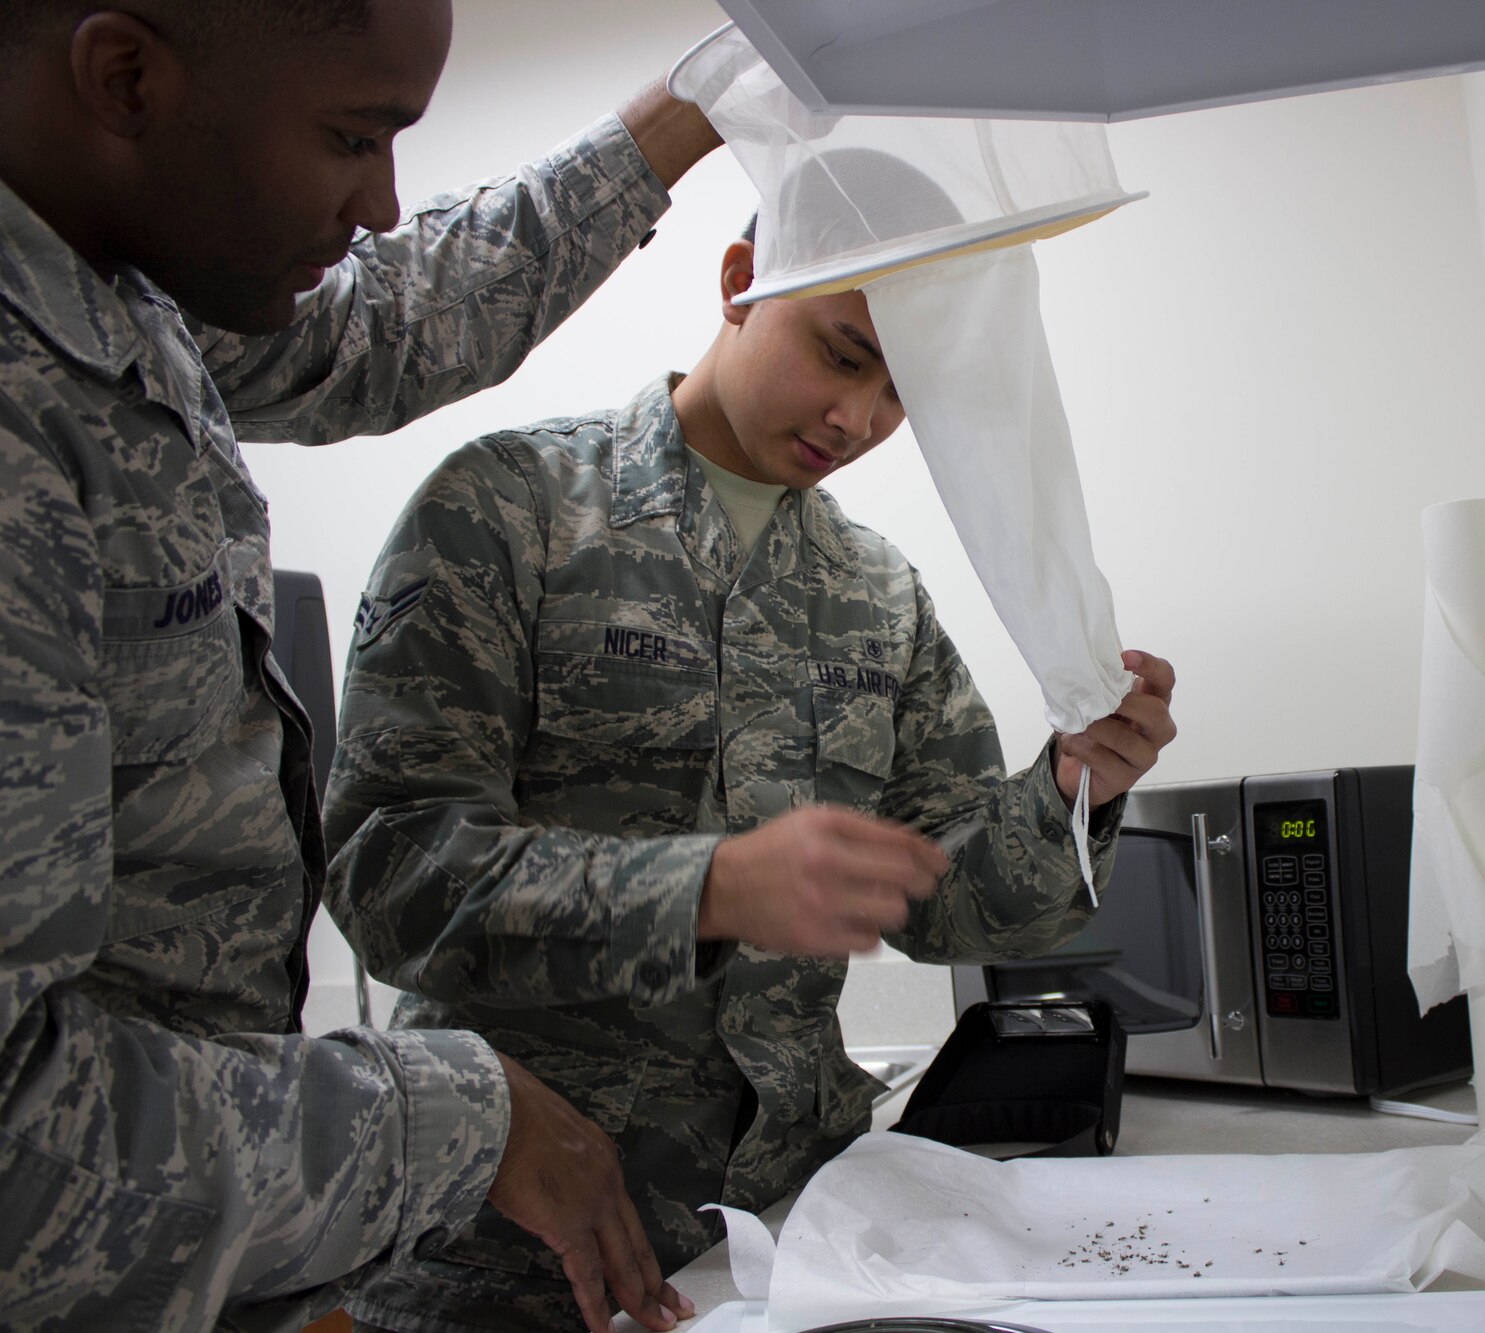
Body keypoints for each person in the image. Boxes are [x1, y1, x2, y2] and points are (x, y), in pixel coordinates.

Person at [0, 2, 725, 1329]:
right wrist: (451, 1122)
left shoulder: (115, 289)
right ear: (124, 75)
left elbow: (391, 321)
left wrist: (699, 103)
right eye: (352, 135)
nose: (385, 202)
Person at [318, 216, 1179, 1332]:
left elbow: (946, 899)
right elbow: (391, 870)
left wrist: (1075, 786)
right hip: (516, 1255)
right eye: (841, 355)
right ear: (739, 281)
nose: (858, 421)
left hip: (792, 1243)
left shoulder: (877, 590)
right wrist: (704, 889)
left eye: (901, 393)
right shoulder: (507, 509)